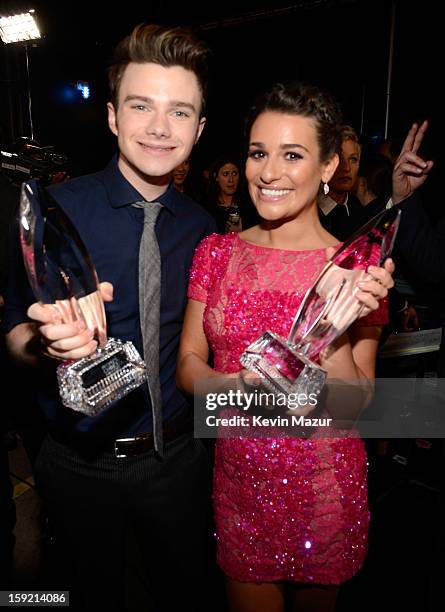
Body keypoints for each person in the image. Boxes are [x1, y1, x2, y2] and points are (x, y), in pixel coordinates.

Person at [4, 23, 217, 611]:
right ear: (112, 117)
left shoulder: (204, 229)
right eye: (141, 105)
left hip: (178, 459)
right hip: (77, 463)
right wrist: (44, 343)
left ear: (198, 130)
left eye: (179, 113)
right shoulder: (56, 212)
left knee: (184, 592)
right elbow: (12, 335)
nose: (158, 127)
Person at [177, 81, 394, 612]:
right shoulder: (216, 252)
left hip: (324, 488)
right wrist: (232, 390)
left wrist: (334, 320)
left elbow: (353, 404)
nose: (268, 172)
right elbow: (187, 363)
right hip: (239, 488)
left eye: (291, 155)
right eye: (258, 153)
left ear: (327, 168)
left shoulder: (357, 268)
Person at [318, 124, 366, 240]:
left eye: (353, 159)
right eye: (340, 159)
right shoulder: (308, 211)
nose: (347, 168)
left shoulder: (360, 213)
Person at [205, 154, 257, 233]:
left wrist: (242, 233)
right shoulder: (207, 208)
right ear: (216, 177)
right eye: (226, 174)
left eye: (234, 174)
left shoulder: (249, 206)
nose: (231, 180)